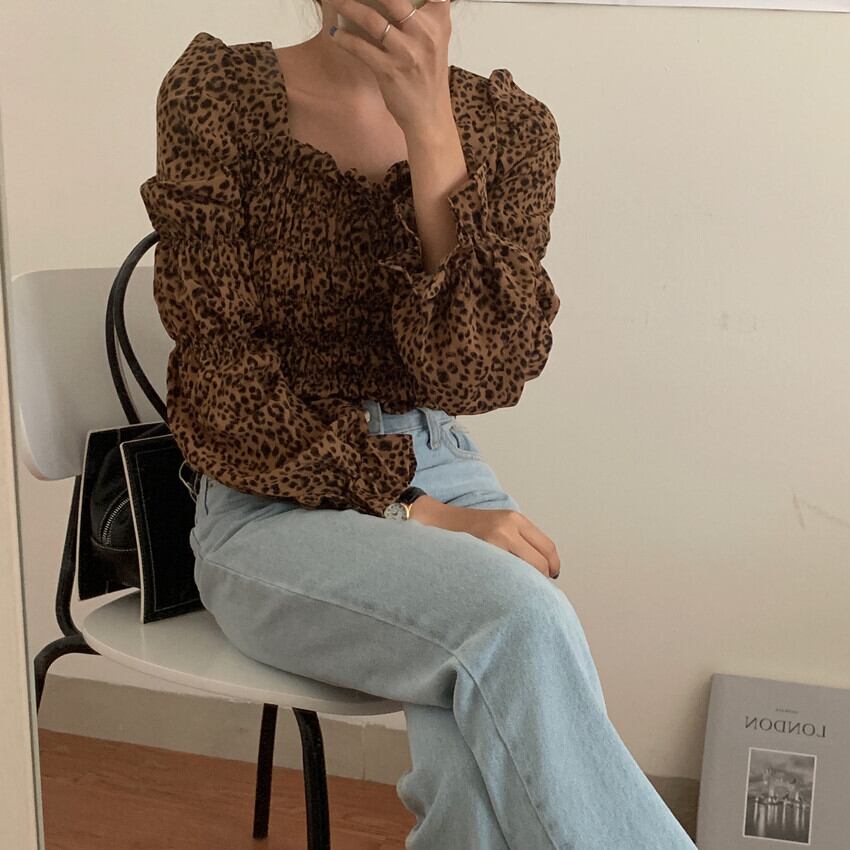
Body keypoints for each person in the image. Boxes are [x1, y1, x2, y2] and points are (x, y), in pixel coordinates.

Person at [139, 1, 698, 847]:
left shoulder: (510, 128)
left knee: (476, 771)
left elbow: (480, 375)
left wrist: (431, 127)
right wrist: (411, 507)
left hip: (446, 467)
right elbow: (222, 384)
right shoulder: (217, 94)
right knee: (518, 622)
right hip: (268, 503)